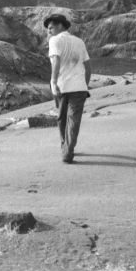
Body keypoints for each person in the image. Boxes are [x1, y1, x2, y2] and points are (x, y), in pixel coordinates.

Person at [44, 13, 91, 164]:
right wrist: (85, 85)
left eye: (50, 27)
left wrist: (53, 81)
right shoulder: (79, 41)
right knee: (73, 120)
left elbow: (56, 61)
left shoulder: (54, 40)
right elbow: (88, 66)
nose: (48, 31)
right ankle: (67, 148)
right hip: (79, 87)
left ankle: (67, 150)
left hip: (62, 86)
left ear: (60, 26)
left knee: (62, 119)